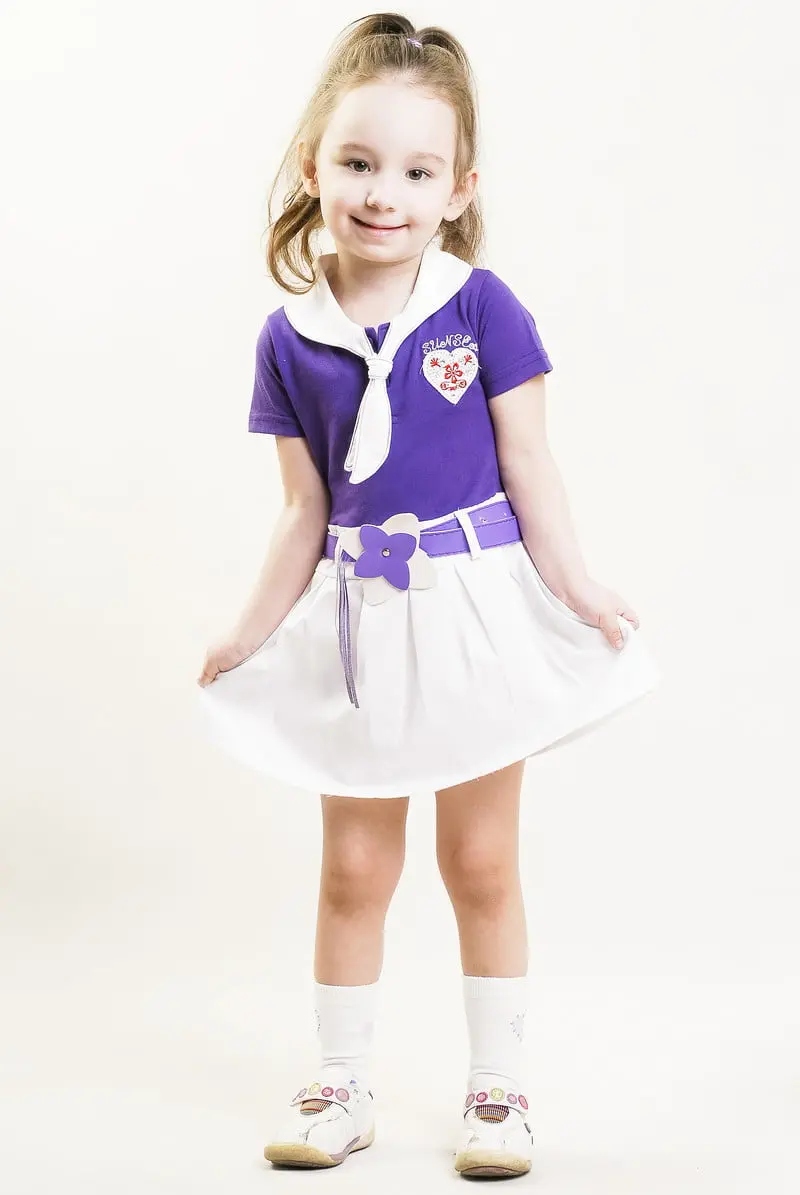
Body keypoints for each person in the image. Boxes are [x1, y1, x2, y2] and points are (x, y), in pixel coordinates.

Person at [196, 12, 661, 1180]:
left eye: (416, 171)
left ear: (457, 191)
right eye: (357, 162)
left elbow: (529, 464)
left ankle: (497, 1089)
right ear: (313, 166)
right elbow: (303, 510)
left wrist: (576, 583)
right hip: (361, 621)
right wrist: (247, 632)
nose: (382, 193)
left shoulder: (479, 307)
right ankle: (339, 1083)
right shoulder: (288, 339)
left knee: (480, 859)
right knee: (353, 866)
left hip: (473, 615)